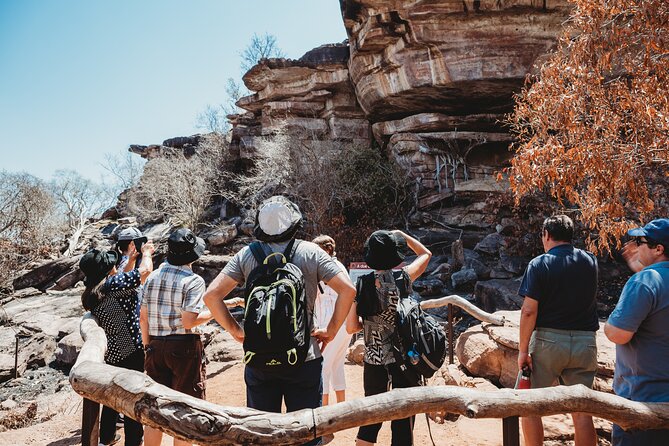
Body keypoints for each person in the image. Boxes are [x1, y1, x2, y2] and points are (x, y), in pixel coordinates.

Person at [203, 196, 356, 446]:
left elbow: (211, 296)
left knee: (263, 436)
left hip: (259, 359)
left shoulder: (247, 255)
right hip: (303, 358)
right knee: (307, 435)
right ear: (294, 222)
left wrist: (237, 332)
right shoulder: (311, 252)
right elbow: (348, 290)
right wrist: (329, 331)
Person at [517, 215, 599, 446]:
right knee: (582, 411)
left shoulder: (539, 263)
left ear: (547, 235)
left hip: (548, 342)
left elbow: (528, 311)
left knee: (530, 406)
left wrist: (523, 351)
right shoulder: (590, 261)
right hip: (585, 342)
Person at [346, 229, 432, 446]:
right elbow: (426, 254)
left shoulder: (360, 284)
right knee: (403, 420)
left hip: (374, 359)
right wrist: (402, 235)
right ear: (395, 256)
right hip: (404, 360)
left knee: (370, 415)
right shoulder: (404, 278)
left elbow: (350, 327)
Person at [140, 228, 213, 446]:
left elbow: (143, 318)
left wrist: (147, 347)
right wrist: (213, 313)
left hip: (154, 345)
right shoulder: (193, 280)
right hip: (184, 349)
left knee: (155, 412)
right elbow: (189, 321)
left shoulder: (151, 277)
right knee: (185, 412)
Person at [79, 241, 155, 446]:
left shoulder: (96, 291)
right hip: (131, 350)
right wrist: (146, 252)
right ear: (107, 270)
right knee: (133, 397)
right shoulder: (113, 285)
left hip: (113, 351)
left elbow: (125, 284)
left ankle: (106, 438)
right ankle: (133, 441)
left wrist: (129, 261)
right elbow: (145, 271)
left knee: (112, 396)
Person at [604, 218, 669, 445]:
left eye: (640, 241)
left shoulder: (644, 281)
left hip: (641, 402)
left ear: (658, 249)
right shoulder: (650, 278)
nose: (634, 246)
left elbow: (617, 333)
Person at [312, 235, 352, 406]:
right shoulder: (339, 266)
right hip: (342, 324)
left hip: (330, 323)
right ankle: (342, 410)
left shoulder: (327, 268)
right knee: (337, 367)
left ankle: (326, 419)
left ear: (326, 250)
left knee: (322, 369)